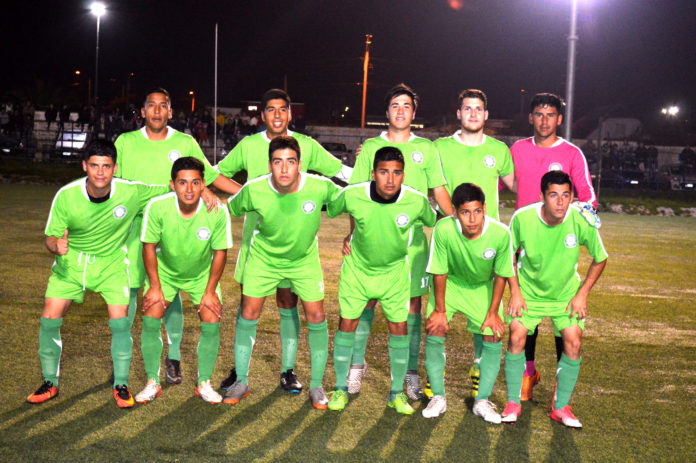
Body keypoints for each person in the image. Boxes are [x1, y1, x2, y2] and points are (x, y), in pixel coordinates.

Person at [215, 89, 352, 394]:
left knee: (287, 302)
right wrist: (247, 191)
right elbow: (215, 174)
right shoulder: (249, 145)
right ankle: (240, 370)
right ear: (262, 115)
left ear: (290, 114)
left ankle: (287, 370)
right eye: (271, 110)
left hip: (296, 241)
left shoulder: (307, 146)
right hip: (257, 241)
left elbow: (340, 172)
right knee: (248, 304)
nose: (277, 115)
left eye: (283, 110)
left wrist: (369, 174)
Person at [26, 140, 171, 408]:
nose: (101, 172)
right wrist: (56, 246)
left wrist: (204, 191)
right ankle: (50, 382)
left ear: (115, 168)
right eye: (94, 165)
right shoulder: (67, 195)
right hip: (72, 263)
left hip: (112, 263)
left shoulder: (131, 193)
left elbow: (170, 187)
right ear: (85, 166)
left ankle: (121, 385)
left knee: (120, 323)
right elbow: (51, 236)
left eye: (106, 166)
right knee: (49, 318)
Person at [114, 87, 240, 386]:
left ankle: (173, 359)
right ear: (142, 111)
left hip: (175, 229)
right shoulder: (125, 142)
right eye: (151, 106)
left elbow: (208, 176)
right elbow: (109, 181)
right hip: (135, 231)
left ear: (171, 112)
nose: (157, 111)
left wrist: (252, 194)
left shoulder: (184, 142)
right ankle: (123, 359)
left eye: (163, 106)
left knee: (170, 294)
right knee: (132, 294)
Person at [346, 83, 453, 400]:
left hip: (412, 246)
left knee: (412, 308)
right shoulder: (369, 149)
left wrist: (457, 225)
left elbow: (440, 191)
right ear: (387, 111)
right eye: (395, 105)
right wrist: (354, 232)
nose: (401, 110)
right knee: (366, 301)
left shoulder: (428, 149)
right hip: (373, 241)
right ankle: (356, 367)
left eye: (406, 105)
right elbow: (356, 195)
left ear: (414, 112)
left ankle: (408, 373)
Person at [223, 136, 340, 409]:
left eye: (290, 162)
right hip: (264, 258)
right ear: (269, 165)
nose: (284, 169)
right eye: (278, 162)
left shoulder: (320, 186)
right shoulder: (254, 189)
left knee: (317, 315)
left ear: (300, 164)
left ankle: (317, 385)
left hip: (303, 259)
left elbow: (352, 202)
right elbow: (229, 207)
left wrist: (353, 234)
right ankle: (241, 380)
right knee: (248, 312)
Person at [326, 146, 437, 414]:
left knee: (399, 328)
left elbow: (436, 220)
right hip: (358, 271)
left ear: (403, 175)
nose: (390, 179)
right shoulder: (353, 194)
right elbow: (333, 208)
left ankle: (396, 393)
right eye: (384, 172)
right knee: (347, 323)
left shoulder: (416, 201)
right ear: (373, 174)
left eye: (397, 173)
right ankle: (340, 387)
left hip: (395, 273)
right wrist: (350, 235)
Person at [501, 171, 607, 427]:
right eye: (553, 195)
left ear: (571, 197)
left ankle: (560, 407)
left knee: (574, 342)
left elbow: (601, 257)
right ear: (542, 197)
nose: (560, 202)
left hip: (565, 295)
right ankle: (513, 403)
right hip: (529, 292)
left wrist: (582, 294)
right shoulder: (523, 218)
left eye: (565, 195)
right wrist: (515, 292)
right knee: (516, 336)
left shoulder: (581, 221)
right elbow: (508, 256)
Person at [510, 92, 597, 401]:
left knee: (565, 322)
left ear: (559, 119)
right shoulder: (517, 149)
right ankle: (527, 373)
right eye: (538, 114)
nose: (544, 120)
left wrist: (576, 221)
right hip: (526, 246)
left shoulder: (572, 153)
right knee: (525, 316)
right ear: (530, 117)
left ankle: (562, 382)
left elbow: (587, 197)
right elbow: (492, 181)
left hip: (558, 246)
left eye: (550, 115)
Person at [432, 89, 515, 399]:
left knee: (487, 310)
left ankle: (479, 365)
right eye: (467, 109)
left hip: (486, 244)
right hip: (452, 238)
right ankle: (434, 380)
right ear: (458, 113)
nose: (473, 114)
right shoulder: (440, 147)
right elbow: (430, 181)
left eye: (478, 109)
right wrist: (453, 217)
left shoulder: (498, 149)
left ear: (486, 115)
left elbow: (519, 185)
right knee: (438, 308)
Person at [135, 157, 233, 405]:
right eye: (182, 183)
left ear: (203, 185)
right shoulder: (157, 207)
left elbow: (220, 252)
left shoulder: (217, 211)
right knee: (150, 315)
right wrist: (155, 287)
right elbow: (149, 247)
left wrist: (210, 291)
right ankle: (151, 382)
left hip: (201, 274)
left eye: (195, 183)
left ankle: (204, 383)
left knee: (212, 317)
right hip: (165, 271)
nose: (189, 189)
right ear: (172, 185)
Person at [422, 183, 514, 422]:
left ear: (484, 208)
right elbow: (439, 272)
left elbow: (501, 275)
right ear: (455, 212)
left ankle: (482, 401)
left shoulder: (501, 234)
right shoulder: (443, 229)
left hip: (482, 287)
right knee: (435, 327)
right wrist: (440, 311)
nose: (472, 219)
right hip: (450, 284)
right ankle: (438, 398)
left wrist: (493, 312)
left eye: (477, 211)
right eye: (465, 212)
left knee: (493, 332)